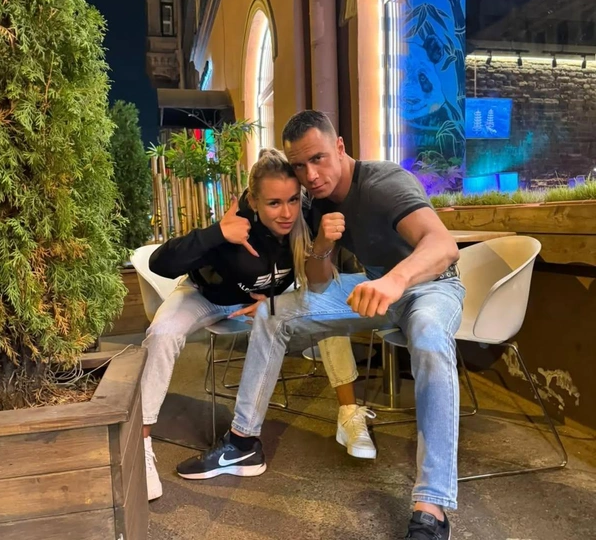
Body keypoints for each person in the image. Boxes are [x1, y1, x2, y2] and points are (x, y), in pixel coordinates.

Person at [178, 111, 464, 540]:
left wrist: (395, 280)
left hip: (431, 286)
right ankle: (242, 444)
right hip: (375, 286)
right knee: (273, 314)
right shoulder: (315, 200)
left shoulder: (383, 183)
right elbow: (317, 284)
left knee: (428, 334)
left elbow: (443, 245)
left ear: (340, 147)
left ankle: (432, 507)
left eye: (318, 159)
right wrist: (323, 244)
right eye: (300, 165)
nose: (310, 175)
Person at [141, 148, 375, 502]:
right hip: (207, 296)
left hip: (259, 305)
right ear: (253, 200)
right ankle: (141, 443)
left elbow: (308, 274)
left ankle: (349, 414)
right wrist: (217, 233)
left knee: (323, 308)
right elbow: (160, 263)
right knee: (163, 332)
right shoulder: (235, 228)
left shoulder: (305, 219)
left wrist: (272, 299)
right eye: (274, 203)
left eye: (292, 200)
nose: (286, 213)